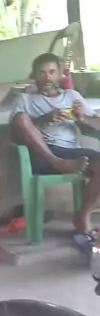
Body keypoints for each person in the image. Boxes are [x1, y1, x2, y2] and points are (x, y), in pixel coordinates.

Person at [11, 52, 100, 238]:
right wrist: (45, 119)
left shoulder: (72, 96)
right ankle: (59, 163)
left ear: (60, 74)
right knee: (21, 118)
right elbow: (16, 135)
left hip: (72, 154)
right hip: (42, 154)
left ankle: (82, 216)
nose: (47, 78)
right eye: (42, 73)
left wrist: (82, 118)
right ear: (34, 75)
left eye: (52, 72)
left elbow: (95, 126)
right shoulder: (24, 99)